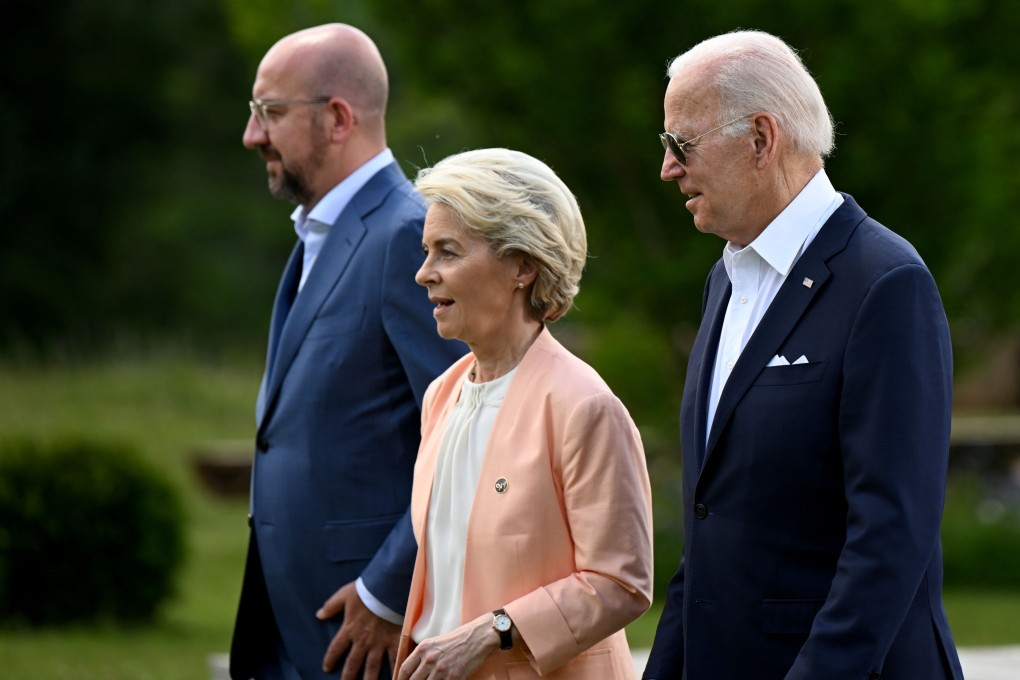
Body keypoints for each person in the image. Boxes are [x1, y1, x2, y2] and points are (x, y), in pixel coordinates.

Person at [642, 30, 964, 680]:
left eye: (682, 144)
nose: (668, 168)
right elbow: (710, 536)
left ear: (762, 138)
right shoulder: (724, 281)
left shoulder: (885, 281)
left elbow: (890, 536)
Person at [230, 23, 467, 680]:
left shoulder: (408, 236)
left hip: (365, 635)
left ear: (337, 118)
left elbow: (466, 433)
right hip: (293, 622)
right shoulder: (318, 235)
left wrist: (387, 589)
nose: (253, 136)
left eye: (270, 112)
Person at [391, 148, 654, 680]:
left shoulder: (584, 406)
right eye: (427, 251)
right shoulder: (442, 395)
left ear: (522, 267)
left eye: (448, 252)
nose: (424, 274)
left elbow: (623, 582)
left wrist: (495, 630)